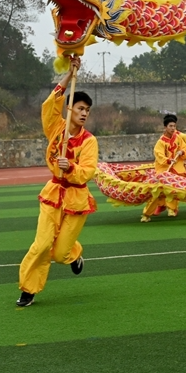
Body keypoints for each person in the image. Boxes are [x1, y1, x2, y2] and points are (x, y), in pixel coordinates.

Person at [17, 57, 98, 307]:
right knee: (41, 245)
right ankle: (28, 289)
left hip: (76, 198)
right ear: (69, 109)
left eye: (87, 110)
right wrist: (69, 74)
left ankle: (74, 255)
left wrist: (71, 167)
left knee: (60, 253)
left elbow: (88, 171)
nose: (83, 113)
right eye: (80, 109)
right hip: (53, 193)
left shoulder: (89, 141)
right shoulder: (56, 129)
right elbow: (49, 104)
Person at [141, 114, 186, 222]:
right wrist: (169, 160)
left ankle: (172, 208)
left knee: (174, 189)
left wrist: (182, 152)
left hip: (177, 168)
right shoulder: (160, 142)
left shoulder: (179, 137)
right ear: (165, 127)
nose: (173, 128)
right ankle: (147, 213)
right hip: (164, 169)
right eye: (170, 126)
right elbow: (159, 155)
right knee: (158, 191)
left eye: (174, 126)